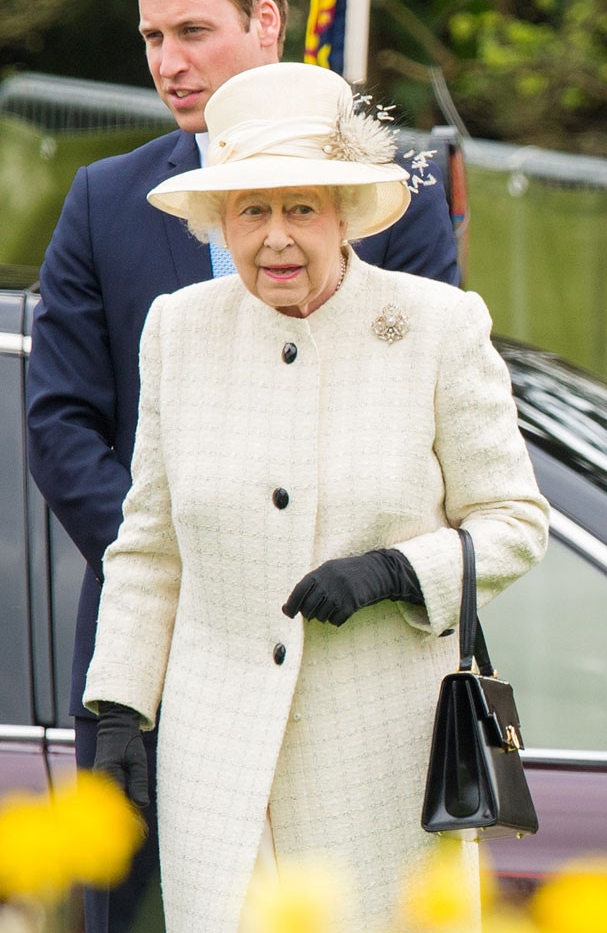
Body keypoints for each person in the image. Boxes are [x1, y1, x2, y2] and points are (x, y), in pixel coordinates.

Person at [26, 0, 459, 932]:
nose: (170, 64)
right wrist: (198, 574)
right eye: (151, 39)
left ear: (267, 22)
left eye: (193, 31)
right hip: (155, 666)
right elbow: (60, 425)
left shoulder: (398, 201)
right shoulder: (103, 203)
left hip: (355, 658)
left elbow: (430, 422)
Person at [83, 60, 549, 933]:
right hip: (214, 768)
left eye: (302, 209)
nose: (277, 239)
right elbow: (149, 546)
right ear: (221, 223)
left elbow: (517, 523)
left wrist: (397, 572)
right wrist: (118, 710)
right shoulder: (180, 331)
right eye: (252, 212)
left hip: (381, 762)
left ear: (345, 218)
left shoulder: (436, 328)